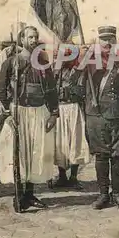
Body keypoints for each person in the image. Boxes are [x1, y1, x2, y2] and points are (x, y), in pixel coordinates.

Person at [70, 25, 119, 211]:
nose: (107, 42)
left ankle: (117, 195)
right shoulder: (89, 62)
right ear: (98, 41)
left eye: (111, 39)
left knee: (118, 157)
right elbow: (72, 84)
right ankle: (103, 194)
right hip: (97, 116)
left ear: (116, 42)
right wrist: (81, 62)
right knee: (101, 156)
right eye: (104, 39)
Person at [0, 26, 58, 210]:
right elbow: (0, 89)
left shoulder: (43, 64)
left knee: (35, 152)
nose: (33, 40)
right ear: (22, 40)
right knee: (18, 153)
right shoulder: (11, 63)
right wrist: (8, 112)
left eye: (35, 37)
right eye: (30, 37)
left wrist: (54, 114)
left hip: (38, 112)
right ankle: (19, 195)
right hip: (18, 112)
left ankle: (30, 195)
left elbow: (52, 91)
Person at [49, 59, 90, 189]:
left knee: (76, 141)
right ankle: (62, 176)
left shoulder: (79, 69)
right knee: (60, 142)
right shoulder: (53, 68)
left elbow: (83, 89)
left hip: (74, 107)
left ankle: (73, 177)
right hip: (59, 107)